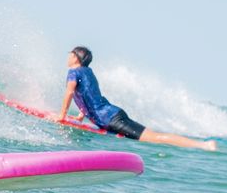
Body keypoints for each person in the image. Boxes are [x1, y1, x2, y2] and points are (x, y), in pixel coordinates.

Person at [58, 46, 216, 151]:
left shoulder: (73, 72)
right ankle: (203, 144)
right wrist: (81, 115)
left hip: (111, 119)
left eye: (70, 54)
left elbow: (70, 93)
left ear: (75, 57)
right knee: (154, 136)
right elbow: (89, 94)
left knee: (155, 137)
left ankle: (204, 145)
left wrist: (62, 115)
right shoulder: (88, 71)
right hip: (113, 114)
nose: (67, 57)